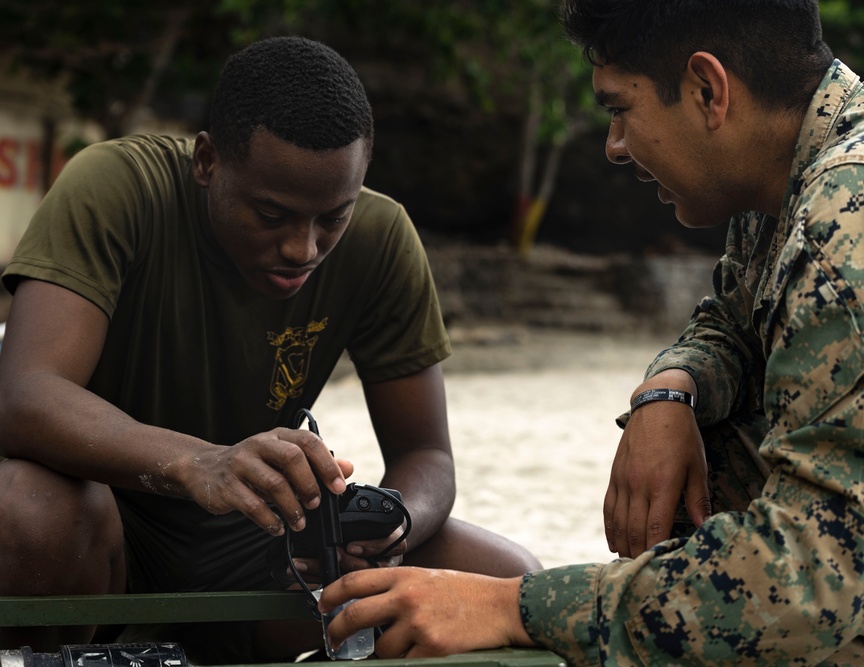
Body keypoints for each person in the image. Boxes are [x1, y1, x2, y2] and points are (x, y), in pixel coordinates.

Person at [319, 1, 864, 664]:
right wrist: (672, 390)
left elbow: (813, 571)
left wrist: (516, 607)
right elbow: (732, 320)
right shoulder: (802, 164)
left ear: (708, 89)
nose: (614, 146)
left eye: (620, 108)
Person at [0, 35, 540, 664]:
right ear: (207, 162)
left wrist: (386, 528)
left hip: (264, 546)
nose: (302, 248)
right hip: (105, 529)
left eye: (332, 218)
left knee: (505, 580)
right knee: (27, 508)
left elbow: (425, 455)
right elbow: (24, 396)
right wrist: (204, 465)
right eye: (271, 214)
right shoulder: (118, 187)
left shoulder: (382, 236)